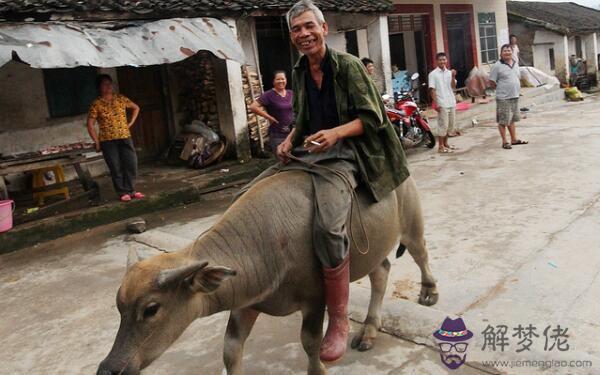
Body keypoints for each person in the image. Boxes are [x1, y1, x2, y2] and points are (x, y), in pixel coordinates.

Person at [239, 0, 409, 363]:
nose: (304, 34)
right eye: (297, 29)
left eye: (308, 26)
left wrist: (334, 134)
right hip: (313, 150)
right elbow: (302, 119)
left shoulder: (346, 66)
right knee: (250, 193)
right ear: (292, 36)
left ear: (323, 29)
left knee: (329, 226)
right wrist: (289, 140)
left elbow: (374, 117)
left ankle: (340, 319)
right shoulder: (299, 71)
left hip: (350, 153)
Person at [87, 74, 143, 202]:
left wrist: (130, 123)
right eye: (105, 84)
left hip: (124, 136)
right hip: (107, 140)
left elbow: (136, 108)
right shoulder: (96, 104)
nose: (108, 86)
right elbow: (90, 124)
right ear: (99, 87)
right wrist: (96, 141)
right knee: (115, 166)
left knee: (131, 163)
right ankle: (122, 192)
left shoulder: (120, 98)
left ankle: (131, 189)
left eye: (110, 83)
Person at [489, 44, 528, 149]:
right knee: (503, 120)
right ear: (501, 54)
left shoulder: (515, 64)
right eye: (505, 51)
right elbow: (492, 81)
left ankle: (514, 139)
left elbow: (516, 77)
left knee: (512, 119)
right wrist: (501, 89)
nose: (507, 52)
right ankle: (505, 141)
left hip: (514, 96)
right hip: (503, 97)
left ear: (512, 52)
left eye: (509, 50)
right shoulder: (497, 66)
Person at [249, 71, 294, 150]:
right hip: (277, 134)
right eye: (278, 79)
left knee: (294, 158)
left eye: (283, 79)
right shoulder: (268, 95)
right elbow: (253, 107)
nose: (281, 81)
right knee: (282, 156)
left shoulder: (291, 93)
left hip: (292, 133)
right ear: (273, 81)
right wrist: (269, 117)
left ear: (286, 80)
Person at [428, 52, 459, 153]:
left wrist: (453, 76)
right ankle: (440, 146)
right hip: (441, 102)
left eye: (444, 59)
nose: (442, 61)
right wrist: (436, 103)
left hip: (451, 101)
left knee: (450, 125)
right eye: (440, 60)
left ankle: (446, 143)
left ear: (446, 60)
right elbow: (432, 89)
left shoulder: (450, 72)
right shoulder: (433, 74)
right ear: (436, 61)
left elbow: (453, 86)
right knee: (443, 125)